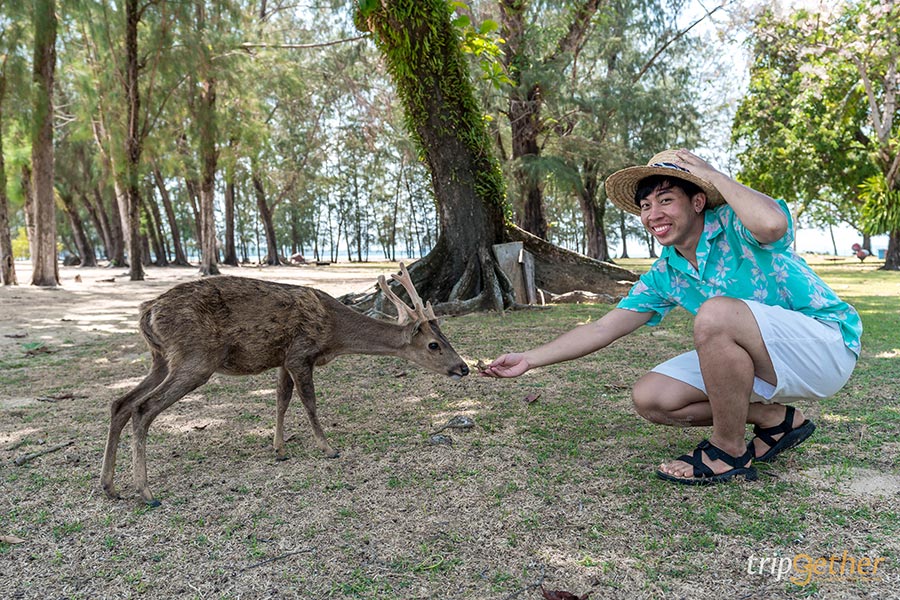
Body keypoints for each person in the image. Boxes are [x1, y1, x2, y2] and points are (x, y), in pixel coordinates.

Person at [481, 149, 861, 485]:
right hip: (769, 363)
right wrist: (530, 359)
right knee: (653, 397)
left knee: (715, 315)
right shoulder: (667, 273)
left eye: (666, 200)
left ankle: (728, 451)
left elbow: (774, 225)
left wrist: (711, 174)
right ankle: (774, 420)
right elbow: (604, 327)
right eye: (646, 206)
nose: (653, 214)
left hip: (825, 346)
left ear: (698, 202)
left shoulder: (734, 224)